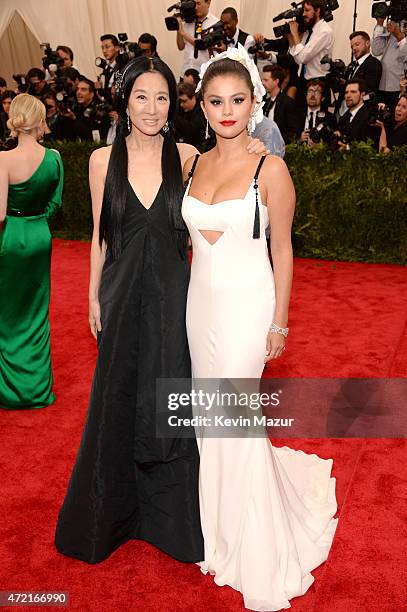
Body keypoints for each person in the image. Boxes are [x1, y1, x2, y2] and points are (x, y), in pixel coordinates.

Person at [54, 54, 267, 566]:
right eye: (142, 96)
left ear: (175, 104)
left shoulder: (189, 155)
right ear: (125, 101)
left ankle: (170, 518)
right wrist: (90, 297)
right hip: (120, 295)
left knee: (169, 395)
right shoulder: (101, 162)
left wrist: (255, 143)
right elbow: (98, 238)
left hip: (176, 298)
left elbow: (231, 165)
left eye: (163, 97)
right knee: (118, 393)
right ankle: (113, 512)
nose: (152, 108)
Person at [182, 46, 338, 611]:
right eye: (216, 101)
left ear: (255, 103)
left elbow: (284, 249)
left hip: (250, 306)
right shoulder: (190, 162)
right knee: (208, 414)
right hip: (199, 308)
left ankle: (251, 542)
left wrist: (280, 322)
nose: (227, 111)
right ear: (201, 106)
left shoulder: (269, 166)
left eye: (238, 100)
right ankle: (217, 529)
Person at [0, 94, 64, 409]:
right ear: (40, 120)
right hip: (40, 236)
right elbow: (55, 203)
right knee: (36, 313)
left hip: (11, 237)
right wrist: (37, 220)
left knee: (9, 313)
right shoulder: (53, 158)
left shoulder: (3, 160)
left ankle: (11, 390)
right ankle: (37, 389)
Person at [287, 0, 334, 109]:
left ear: (317, 11)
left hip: (319, 83)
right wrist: (291, 38)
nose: (303, 14)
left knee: (317, 121)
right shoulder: (310, 32)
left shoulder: (324, 32)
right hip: (304, 82)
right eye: (303, 10)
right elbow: (298, 58)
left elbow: (303, 57)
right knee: (301, 119)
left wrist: (295, 34)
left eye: (307, 10)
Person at [337, 31, 382, 116]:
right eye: (352, 46)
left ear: (367, 43)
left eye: (357, 44)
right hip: (342, 111)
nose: (354, 48)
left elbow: (369, 89)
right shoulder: (351, 65)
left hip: (360, 113)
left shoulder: (374, 64)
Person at [372, 16, 407, 110]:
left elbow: (404, 55)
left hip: (398, 87)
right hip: (382, 85)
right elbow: (376, 50)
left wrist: (399, 35)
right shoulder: (390, 32)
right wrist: (380, 24)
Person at [176, 0, 219, 76]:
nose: (195, 7)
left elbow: (202, 44)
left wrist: (183, 33)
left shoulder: (215, 23)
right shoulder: (187, 23)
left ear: (208, 3)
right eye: (193, 4)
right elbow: (180, 46)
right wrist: (178, 26)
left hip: (205, 74)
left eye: (198, 3)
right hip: (186, 72)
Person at [261, 64, 298, 143]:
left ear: (276, 81)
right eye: (262, 80)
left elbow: (293, 132)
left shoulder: (287, 103)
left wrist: (277, 141)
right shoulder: (265, 102)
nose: (262, 83)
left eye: (266, 80)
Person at [337, 79, 378, 148]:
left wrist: (347, 148)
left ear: (362, 95)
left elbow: (369, 146)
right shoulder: (343, 118)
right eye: (346, 92)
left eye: (353, 92)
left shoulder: (370, 116)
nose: (348, 95)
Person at [299, 79, 336, 146]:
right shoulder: (296, 114)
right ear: (306, 95)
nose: (312, 95)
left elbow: (332, 142)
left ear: (323, 98)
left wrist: (320, 145)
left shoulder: (330, 118)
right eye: (310, 91)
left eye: (317, 92)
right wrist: (299, 140)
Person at [174, 82, 206, 148]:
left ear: (193, 98)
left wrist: (174, 117)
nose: (181, 104)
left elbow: (192, 129)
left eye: (185, 101)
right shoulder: (180, 107)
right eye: (180, 101)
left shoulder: (202, 109)